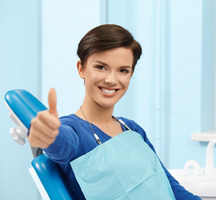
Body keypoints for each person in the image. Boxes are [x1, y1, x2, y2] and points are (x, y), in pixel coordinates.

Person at [28, 24, 201, 200]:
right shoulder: (73, 131)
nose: (111, 80)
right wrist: (50, 135)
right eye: (101, 67)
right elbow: (62, 144)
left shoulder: (132, 129)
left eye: (123, 70)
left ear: (131, 74)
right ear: (81, 68)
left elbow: (170, 187)